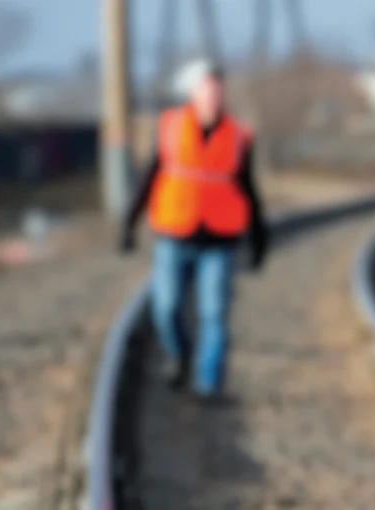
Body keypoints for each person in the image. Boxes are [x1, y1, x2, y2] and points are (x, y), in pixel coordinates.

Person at [120, 58, 268, 398]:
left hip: (220, 238)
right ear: (192, 92)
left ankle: (207, 383)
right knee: (166, 307)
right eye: (207, 87)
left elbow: (249, 189)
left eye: (218, 88)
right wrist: (128, 223)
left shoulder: (237, 136)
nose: (214, 94)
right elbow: (148, 178)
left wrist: (259, 237)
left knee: (214, 313)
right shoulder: (170, 127)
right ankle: (180, 352)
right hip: (174, 234)